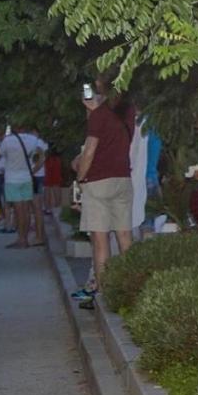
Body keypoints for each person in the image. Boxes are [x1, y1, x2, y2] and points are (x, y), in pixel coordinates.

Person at [72, 77, 135, 309]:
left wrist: (80, 179)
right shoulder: (128, 112)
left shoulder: (99, 115)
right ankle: (130, 289)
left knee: (100, 240)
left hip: (98, 182)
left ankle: (106, 293)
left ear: (102, 86)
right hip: (123, 178)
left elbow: (90, 151)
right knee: (124, 236)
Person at [0, 122, 44, 248]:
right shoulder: (33, 140)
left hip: (12, 179)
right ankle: (25, 238)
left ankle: (21, 239)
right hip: (27, 178)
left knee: (18, 211)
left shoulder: (8, 140)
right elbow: (42, 155)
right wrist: (34, 169)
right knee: (26, 210)